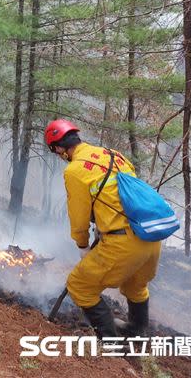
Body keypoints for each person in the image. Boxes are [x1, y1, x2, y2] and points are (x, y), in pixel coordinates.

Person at [45, 119, 160, 339]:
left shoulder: (75, 170)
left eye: (56, 151)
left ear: (59, 148)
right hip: (150, 238)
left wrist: (82, 245)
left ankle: (111, 344)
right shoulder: (115, 155)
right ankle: (136, 330)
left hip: (123, 243)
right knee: (136, 286)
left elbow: (78, 217)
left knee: (79, 286)